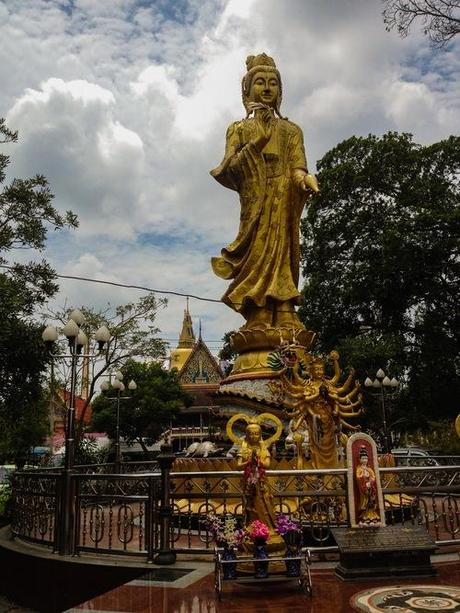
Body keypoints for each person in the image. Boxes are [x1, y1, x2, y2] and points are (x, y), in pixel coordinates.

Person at [211, 53, 319, 331]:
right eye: (260, 82)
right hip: (255, 199)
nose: (267, 88)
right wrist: (256, 143)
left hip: (283, 198)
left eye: (273, 83)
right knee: (258, 253)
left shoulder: (291, 130)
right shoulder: (239, 128)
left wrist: (305, 178)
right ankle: (258, 310)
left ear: (280, 92)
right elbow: (229, 168)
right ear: (247, 89)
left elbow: (296, 166)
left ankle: (284, 308)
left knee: (284, 252)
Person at [355, 447, 381, 525]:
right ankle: (364, 517)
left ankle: (373, 517)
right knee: (365, 502)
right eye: (363, 458)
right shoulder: (359, 468)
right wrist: (363, 477)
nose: (364, 460)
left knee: (371, 501)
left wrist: (370, 481)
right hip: (364, 488)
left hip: (370, 487)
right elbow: (358, 477)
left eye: (366, 458)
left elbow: (373, 476)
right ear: (360, 460)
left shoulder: (369, 468)